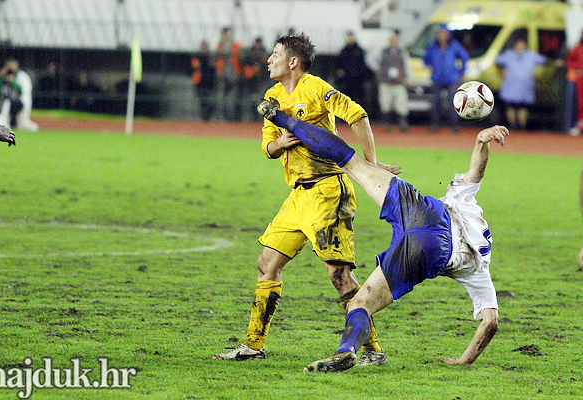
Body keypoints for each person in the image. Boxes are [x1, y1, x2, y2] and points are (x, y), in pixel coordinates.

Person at [255, 97, 504, 372]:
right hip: (430, 253)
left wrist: (482, 141)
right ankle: (346, 350)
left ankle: (280, 118)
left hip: (423, 211)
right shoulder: (481, 272)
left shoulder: (466, 201)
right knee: (359, 304)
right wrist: (464, 359)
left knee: (350, 162)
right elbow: (489, 322)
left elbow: (476, 172)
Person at [212, 32, 389, 365]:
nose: (269, 59)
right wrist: (282, 143)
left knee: (339, 276)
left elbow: (358, 115)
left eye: (275, 54)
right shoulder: (272, 96)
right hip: (298, 196)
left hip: (328, 190)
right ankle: (253, 345)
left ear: (292, 61)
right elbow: (267, 147)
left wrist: (372, 165)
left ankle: (372, 349)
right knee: (267, 263)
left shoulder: (316, 87)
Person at [423, 25, 470, 132]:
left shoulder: (454, 46)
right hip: (437, 78)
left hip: (451, 78)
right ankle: (435, 124)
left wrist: (461, 72)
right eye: (440, 33)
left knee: (453, 102)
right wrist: (429, 65)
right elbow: (426, 58)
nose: (442, 36)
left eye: (444, 34)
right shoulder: (433, 46)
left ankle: (454, 124)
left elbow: (465, 57)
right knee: (435, 102)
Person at [495, 38, 546, 130]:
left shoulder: (530, 55)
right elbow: (497, 61)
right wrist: (501, 72)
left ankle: (522, 127)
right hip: (511, 86)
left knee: (523, 108)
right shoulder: (509, 55)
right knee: (511, 107)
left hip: (525, 87)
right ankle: (512, 126)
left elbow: (544, 61)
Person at [377, 30, 411, 132]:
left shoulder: (402, 52)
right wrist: (381, 72)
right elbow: (373, 61)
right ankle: (387, 124)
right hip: (385, 82)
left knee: (401, 103)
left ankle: (402, 123)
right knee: (385, 103)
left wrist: (408, 78)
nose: (393, 41)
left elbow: (407, 65)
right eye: (391, 39)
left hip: (399, 82)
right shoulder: (383, 51)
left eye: (395, 40)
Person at [335, 31, 372, 106]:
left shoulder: (359, 51)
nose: (349, 39)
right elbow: (339, 65)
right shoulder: (343, 51)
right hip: (346, 80)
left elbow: (363, 65)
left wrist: (359, 74)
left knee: (358, 100)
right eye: (348, 37)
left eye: (351, 37)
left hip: (358, 80)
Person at [215, 27, 242, 121]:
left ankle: (233, 118)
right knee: (222, 99)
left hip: (233, 74)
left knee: (233, 98)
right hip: (223, 75)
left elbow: (237, 55)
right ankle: (223, 118)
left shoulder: (235, 45)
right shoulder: (220, 45)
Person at [3, 60, 38, 131]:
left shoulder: (22, 75)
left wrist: (13, 82)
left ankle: (34, 127)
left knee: (23, 124)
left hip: (24, 100)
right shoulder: (7, 76)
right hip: (14, 101)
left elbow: (23, 91)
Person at [191, 40, 217, 121]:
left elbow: (213, 67)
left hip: (209, 83)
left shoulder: (210, 57)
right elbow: (195, 67)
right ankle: (204, 119)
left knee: (210, 102)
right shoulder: (197, 56)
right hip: (200, 83)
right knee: (202, 102)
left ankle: (206, 118)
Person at [566, 32, 583, 136]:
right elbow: (569, 61)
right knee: (581, 105)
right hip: (580, 80)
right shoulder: (577, 48)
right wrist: (576, 70)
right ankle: (579, 127)